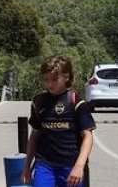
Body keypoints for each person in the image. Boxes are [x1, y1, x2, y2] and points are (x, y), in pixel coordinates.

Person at [22, 55, 95, 187]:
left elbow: (88, 136)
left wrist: (79, 166)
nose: (49, 84)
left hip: (71, 165)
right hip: (44, 165)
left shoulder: (76, 102)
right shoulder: (38, 102)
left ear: (66, 77)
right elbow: (35, 135)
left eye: (55, 79)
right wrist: (27, 166)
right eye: (46, 79)